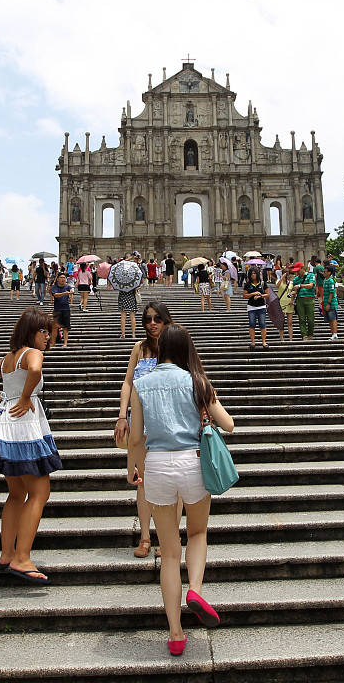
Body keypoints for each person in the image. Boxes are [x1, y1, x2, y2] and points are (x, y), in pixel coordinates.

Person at [128, 324, 235, 656]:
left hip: (157, 465)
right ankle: (197, 590)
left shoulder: (141, 384)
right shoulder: (197, 382)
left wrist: (135, 467)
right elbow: (228, 424)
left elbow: (135, 437)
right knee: (199, 532)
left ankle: (175, 633)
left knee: (169, 552)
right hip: (192, 461)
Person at [0, 308, 61, 584]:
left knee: (16, 493)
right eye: (43, 331)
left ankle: (7, 553)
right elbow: (35, 370)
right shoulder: (31, 354)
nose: (48, 337)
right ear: (30, 332)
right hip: (25, 427)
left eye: (49, 331)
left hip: (4, 426)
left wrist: (5, 398)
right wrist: (24, 397)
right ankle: (22, 557)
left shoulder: (8, 358)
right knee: (39, 492)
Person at [115, 301, 176, 559]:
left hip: (170, 421)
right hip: (140, 421)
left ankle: (168, 537)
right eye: (148, 319)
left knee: (171, 483)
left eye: (157, 319)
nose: (152, 323)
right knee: (142, 483)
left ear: (166, 320)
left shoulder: (176, 345)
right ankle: (145, 537)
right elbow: (128, 382)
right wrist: (121, 415)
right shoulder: (139, 348)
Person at [243, 267, 270, 348]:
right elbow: (244, 296)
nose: (253, 275)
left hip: (261, 306)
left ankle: (264, 342)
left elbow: (268, 294)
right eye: (251, 274)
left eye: (254, 273)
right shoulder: (247, 284)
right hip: (251, 307)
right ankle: (253, 342)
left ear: (257, 274)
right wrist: (253, 294)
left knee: (262, 324)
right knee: (252, 324)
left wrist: (260, 296)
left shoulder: (263, 283)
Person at [290, 261, 316, 340]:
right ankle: (304, 334)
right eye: (296, 271)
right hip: (300, 300)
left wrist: (300, 285)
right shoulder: (296, 279)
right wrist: (292, 297)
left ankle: (310, 333)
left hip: (310, 299)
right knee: (301, 319)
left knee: (311, 319)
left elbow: (311, 285)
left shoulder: (310, 275)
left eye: (298, 270)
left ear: (302, 268)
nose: (297, 272)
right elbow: (295, 291)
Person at [50, 272, 73, 348]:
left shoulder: (67, 287)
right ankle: (53, 342)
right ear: (57, 279)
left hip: (66, 309)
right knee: (55, 326)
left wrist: (71, 292)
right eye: (61, 278)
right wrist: (65, 293)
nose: (63, 279)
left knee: (66, 327)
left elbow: (72, 290)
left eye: (64, 278)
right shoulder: (54, 287)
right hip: (57, 309)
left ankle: (65, 343)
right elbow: (55, 295)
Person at [319, 264, 340, 340]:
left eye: (325, 271)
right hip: (326, 302)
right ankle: (333, 334)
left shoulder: (331, 280)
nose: (323, 273)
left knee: (333, 318)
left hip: (331, 303)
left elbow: (332, 292)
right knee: (329, 319)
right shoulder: (325, 280)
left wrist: (328, 303)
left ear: (329, 272)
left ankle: (335, 334)